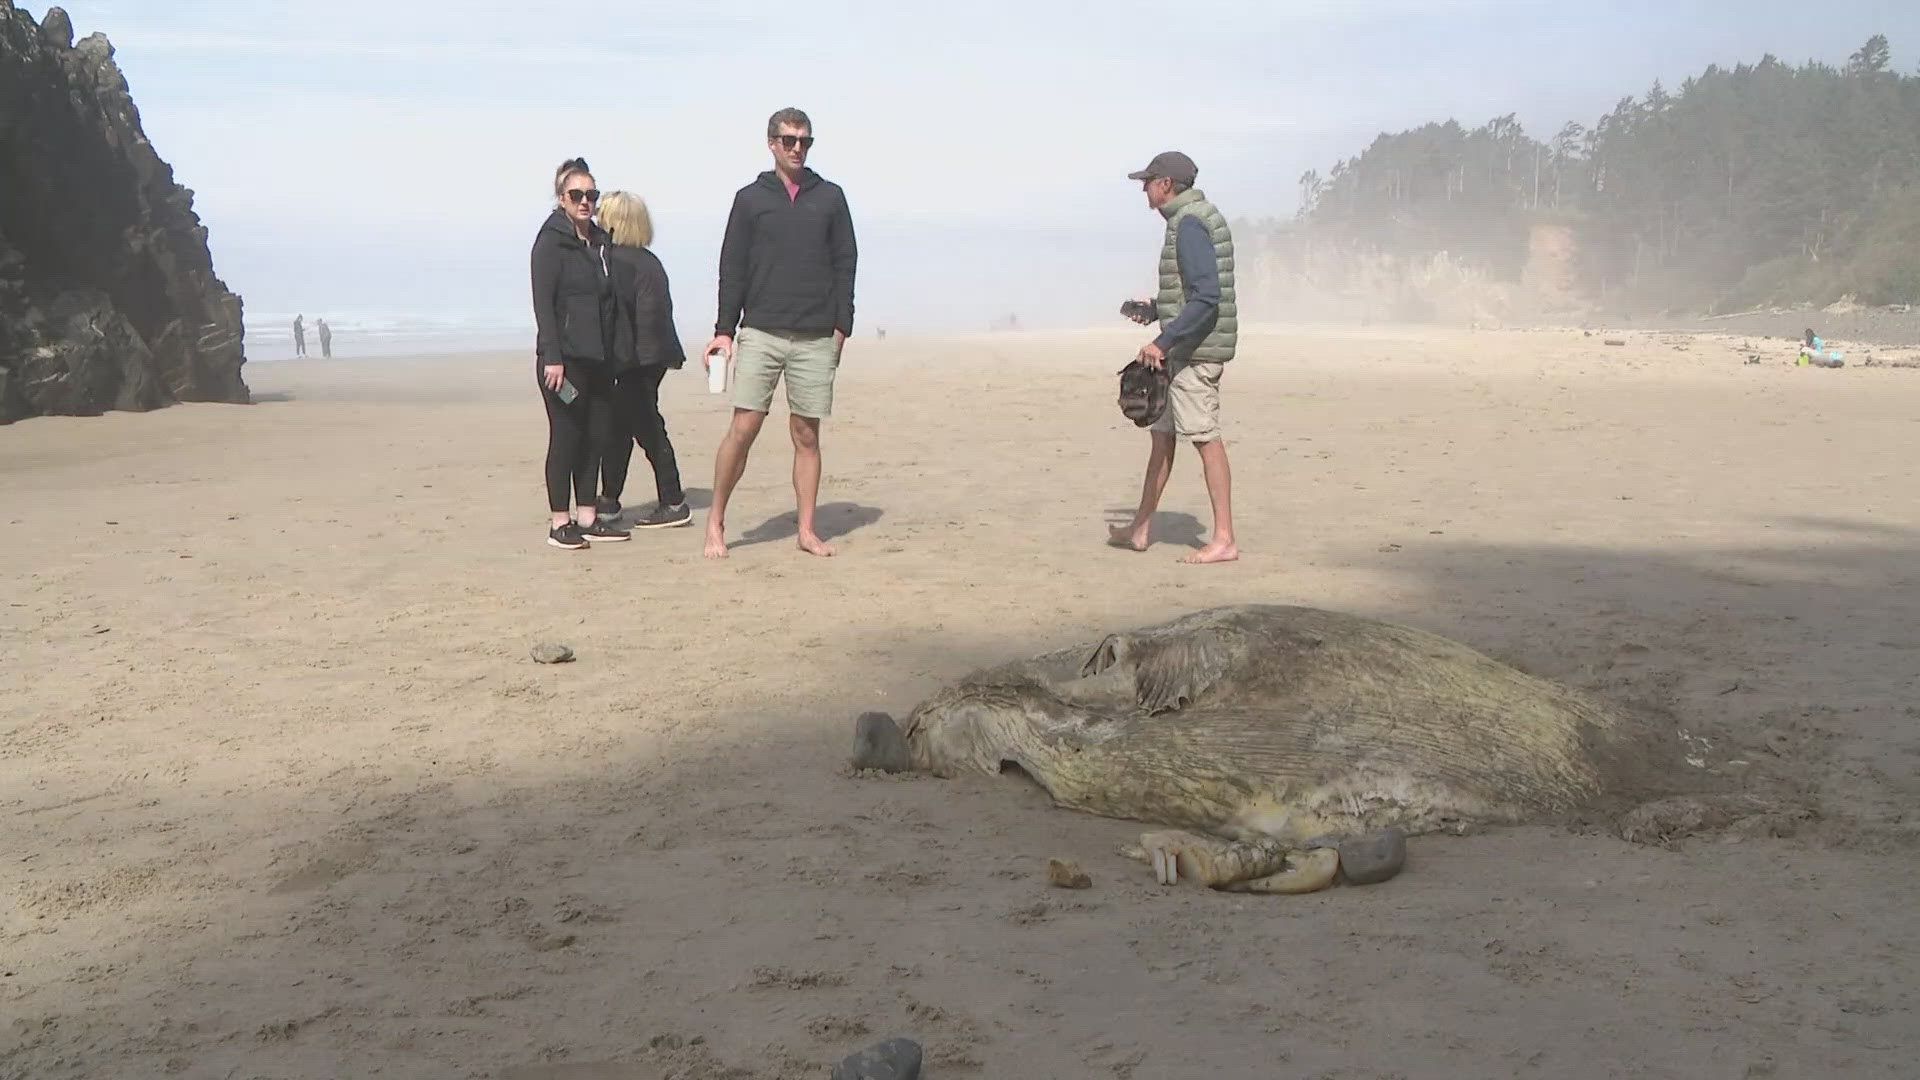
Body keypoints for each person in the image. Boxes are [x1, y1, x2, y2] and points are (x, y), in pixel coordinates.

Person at [701, 107, 857, 559]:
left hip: (815, 335)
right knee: (744, 426)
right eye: (788, 140)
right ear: (771, 143)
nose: (796, 148)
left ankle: (806, 530)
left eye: (804, 141)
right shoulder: (750, 199)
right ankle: (716, 522)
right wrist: (724, 332)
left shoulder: (830, 197)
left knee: (807, 434)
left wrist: (841, 325)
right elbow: (732, 267)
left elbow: (845, 261)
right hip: (762, 331)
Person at [1109, 150, 1239, 565]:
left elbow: (1206, 299)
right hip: (1184, 350)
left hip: (1195, 355)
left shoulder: (1190, 225)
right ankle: (1141, 526)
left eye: (1148, 181)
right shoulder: (1187, 221)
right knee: (1162, 437)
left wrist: (1162, 343)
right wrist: (1154, 311)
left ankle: (1224, 539)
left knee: (1205, 438)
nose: (1143, 189)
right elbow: (1192, 295)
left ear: (1165, 184)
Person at [529, 156, 630, 550]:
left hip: (600, 360)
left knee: (597, 435)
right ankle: (560, 522)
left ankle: (588, 516)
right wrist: (553, 356)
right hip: (564, 362)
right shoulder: (550, 242)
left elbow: (609, 303)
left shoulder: (602, 242)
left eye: (591, 195)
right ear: (562, 198)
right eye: (577, 195)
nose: (585, 201)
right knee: (568, 436)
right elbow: (544, 303)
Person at [594, 190, 691, 529]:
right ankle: (608, 500)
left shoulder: (616, 262)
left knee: (646, 427)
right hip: (652, 357)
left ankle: (673, 500)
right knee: (623, 428)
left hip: (636, 359)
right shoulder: (648, 261)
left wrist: (617, 362)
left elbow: (622, 318)